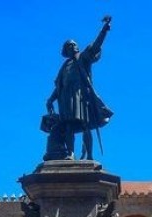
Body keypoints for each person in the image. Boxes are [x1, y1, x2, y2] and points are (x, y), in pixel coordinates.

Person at [46, 16, 113, 160]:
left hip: (81, 96)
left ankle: (89, 155)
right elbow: (60, 86)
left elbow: (95, 46)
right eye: (69, 45)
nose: (73, 46)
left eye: (74, 44)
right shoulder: (64, 66)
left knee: (85, 126)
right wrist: (51, 99)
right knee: (69, 126)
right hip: (66, 99)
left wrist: (104, 31)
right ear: (66, 50)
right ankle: (70, 153)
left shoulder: (82, 58)